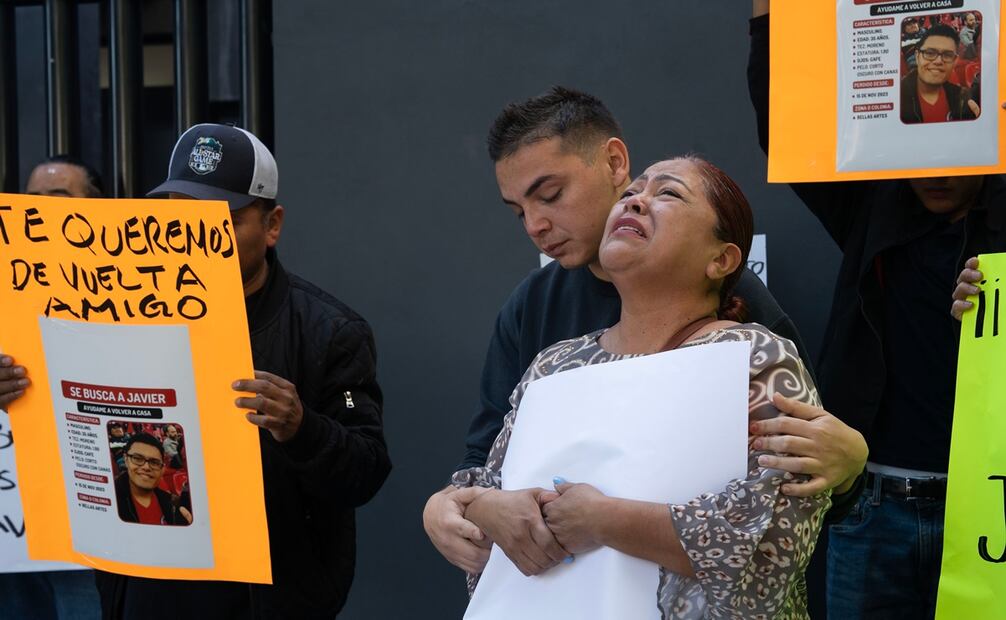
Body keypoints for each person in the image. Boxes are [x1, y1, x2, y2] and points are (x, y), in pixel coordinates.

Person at [424, 86, 868, 579]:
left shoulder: (749, 342)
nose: (535, 224)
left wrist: (847, 474)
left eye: (551, 195)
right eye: (518, 211)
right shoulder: (540, 330)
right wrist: (456, 506)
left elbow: (792, 502)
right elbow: (486, 462)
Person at [1, 126, 391, 618]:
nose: (198, 237)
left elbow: (367, 469)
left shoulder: (329, 331)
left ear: (272, 225)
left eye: (220, 220)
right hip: (140, 586)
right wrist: (23, 393)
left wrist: (301, 428)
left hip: (264, 597)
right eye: (182, 217)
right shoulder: (116, 308)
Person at [454, 157, 829, 618]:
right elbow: (484, 490)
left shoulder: (755, 358)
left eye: (668, 193)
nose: (637, 200)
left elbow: (775, 543)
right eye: (632, 191)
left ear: (722, 259)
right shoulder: (553, 366)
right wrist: (483, 508)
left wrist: (603, 520)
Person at [749, 2, 1006, 616]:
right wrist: (767, 17)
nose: (936, 175)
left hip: (986, 510)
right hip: (872, 508)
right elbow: (782, 117)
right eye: (921, 159)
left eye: (955, 159)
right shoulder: (874, 207)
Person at [0, 155, 107, 620]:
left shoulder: (133, 285)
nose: (40, 210)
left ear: (98, 209)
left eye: (59, 198)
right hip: (13, 525)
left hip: (91, 525)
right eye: (32, 199)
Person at [901, 24, 979, 124]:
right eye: (930, 53)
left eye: (947, 55)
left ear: (954, 61)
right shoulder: (896, 100)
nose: (938, 61)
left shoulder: (964, 99)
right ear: (917, 56)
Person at [114, 433, 191, 526]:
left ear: (162, 469)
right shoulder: (111, 500)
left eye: (154, 462)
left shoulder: (172, 504)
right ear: (126, 460)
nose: (146, 467)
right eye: (138, 459)